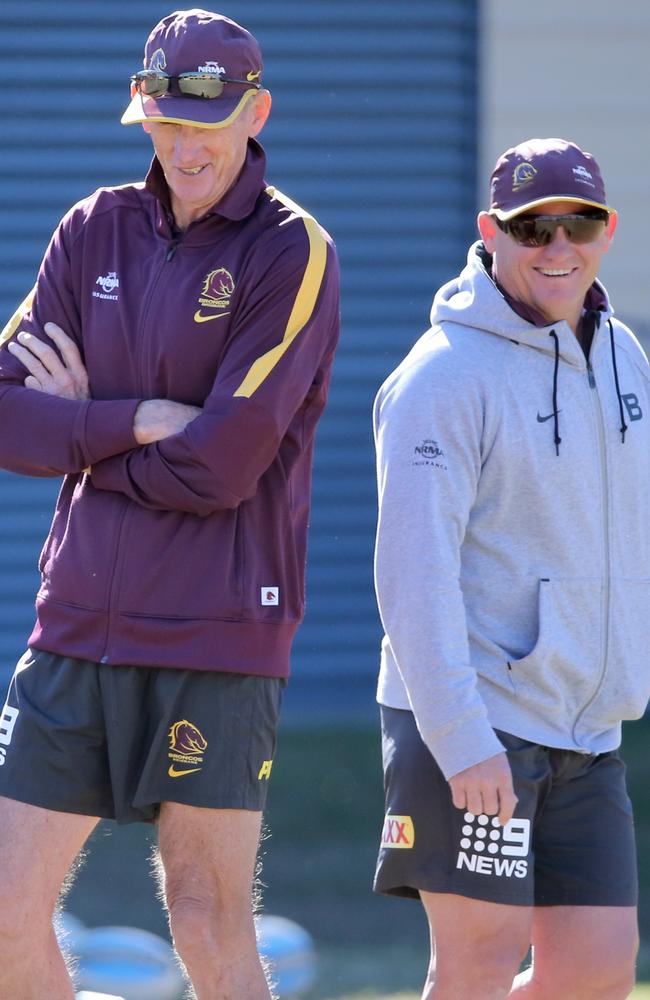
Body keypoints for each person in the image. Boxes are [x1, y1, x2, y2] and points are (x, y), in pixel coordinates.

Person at [0, 9, 339, 999]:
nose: (186, 148)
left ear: (254, 111)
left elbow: (226, 464)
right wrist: (139, 417)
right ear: (143, 117)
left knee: (203, 918)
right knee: (6, 914)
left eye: (208, 122)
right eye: (167, 122)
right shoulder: (91, 228)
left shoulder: (292, 252)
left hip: (215, 636)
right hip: (72, 628)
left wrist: (81, 434)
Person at [372, 137, 648, 999]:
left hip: (585, 728)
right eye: (533, 229)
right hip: (475, 722)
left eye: (579, 224)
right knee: (477, 968)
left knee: (598, 972)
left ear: (608, 231)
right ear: (492, 231)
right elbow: (411, 575)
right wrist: (460, 739)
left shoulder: (623, 356)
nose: (558, 247)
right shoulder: (443, 378)